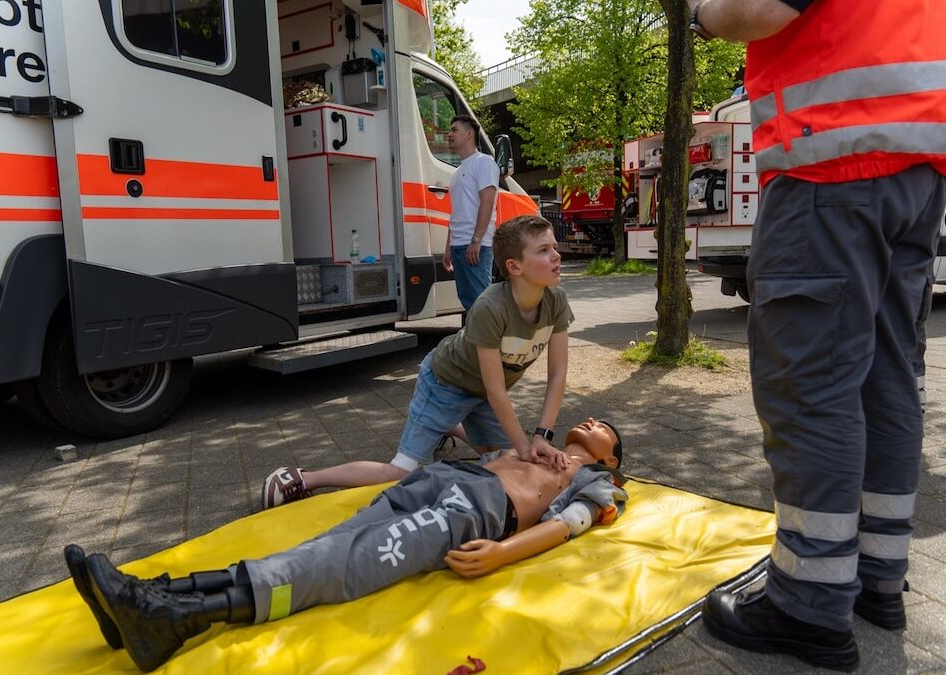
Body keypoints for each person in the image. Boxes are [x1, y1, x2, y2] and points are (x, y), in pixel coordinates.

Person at [685, 0, 946, 670]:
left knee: (809, 385)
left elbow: (763, 9)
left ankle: (808, 602)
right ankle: (878, 576)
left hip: (834, 152)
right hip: (923, 160)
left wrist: (701, 13)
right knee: (888, 374)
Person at [64, 419, 627, 672]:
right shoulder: (539, 445)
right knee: (330, 544)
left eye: (604, 426)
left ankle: (177, 614)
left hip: (474, 512)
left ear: (612, 458)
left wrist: (503, 552)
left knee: (343, 562)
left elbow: (568, 525)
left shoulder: (598, 482)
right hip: (439, 480)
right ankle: (157, 598)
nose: (591, 419)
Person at [262, 215, 572, 508]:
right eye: (544, 250)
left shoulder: (556, 301)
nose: (556, 255)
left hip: (483, 394)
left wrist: (540, 436)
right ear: (514, 267)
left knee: (509, 462)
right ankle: (302, 478)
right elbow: (496, 391)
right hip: (445, 385)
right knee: (401, 472)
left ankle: (449, 425)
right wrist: (525, 447)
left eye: (554, 247)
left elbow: (557, 373)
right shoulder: (490, 308)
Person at [443, 114, 500, 313]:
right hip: (459, 245)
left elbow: (487, 202)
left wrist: (476, 240)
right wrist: (448, 248)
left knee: (481, 302)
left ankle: (492, 334)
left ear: (469, 134)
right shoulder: (457, 172)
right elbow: (456, 212)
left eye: (454, 130)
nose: (449, 134)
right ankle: (477, 334)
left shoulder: (484, 162)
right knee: (469, 302)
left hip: (476, 246)